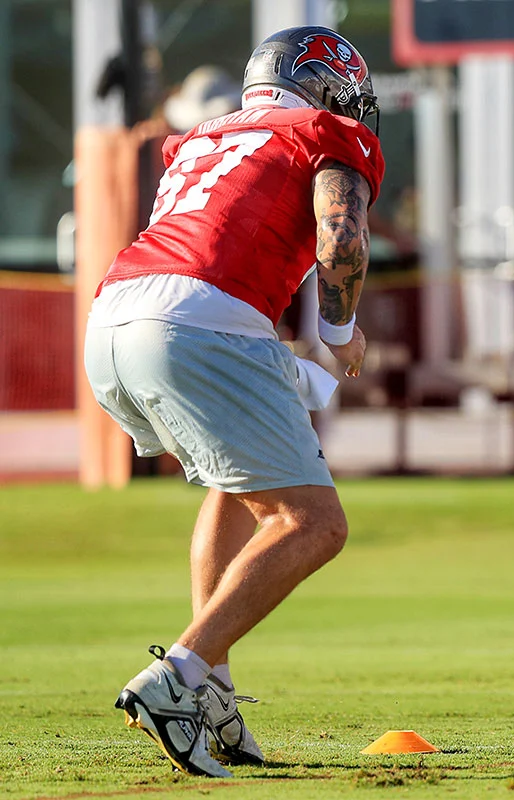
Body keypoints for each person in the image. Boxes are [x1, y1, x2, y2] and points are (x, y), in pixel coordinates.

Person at [83, 26, 385, 777]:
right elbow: (339, 235)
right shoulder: (324, 129)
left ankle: (212, 686)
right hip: (200, 321)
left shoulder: (201, 136)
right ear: (325, 88)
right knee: (313, 523)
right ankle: (178, 676)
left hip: (112, 319)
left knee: (233, 481)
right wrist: (341, 331)